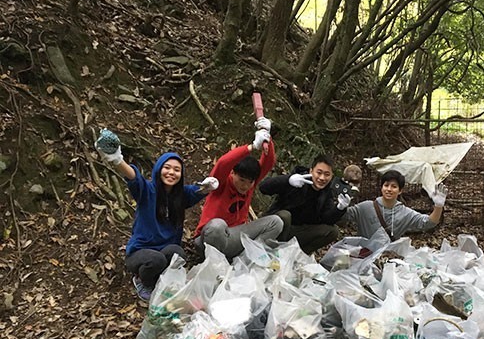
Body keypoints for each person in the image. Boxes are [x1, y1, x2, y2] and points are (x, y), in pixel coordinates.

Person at [95, 132, 219, 301]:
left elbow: (198, 190)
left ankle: (162, 281)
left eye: (176, 170)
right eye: (166, 168)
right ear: (158, 169)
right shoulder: (147, 191)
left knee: (178, 254)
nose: (171, 173)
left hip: (165, 249)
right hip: (140, 252)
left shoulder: (181, 195)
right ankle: (142, 280)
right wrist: (117, 159)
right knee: (156, 260)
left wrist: (209, 186)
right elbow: (133, 177)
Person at [193, 119, 282, 260]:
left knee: (276, 222)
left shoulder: (249, 186)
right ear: (233, 173)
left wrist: (267, 137)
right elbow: (223, 163)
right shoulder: (220, 183)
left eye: (249, 182)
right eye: (241, 180)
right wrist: (251, 147)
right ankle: (215, 264)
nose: (245, 186)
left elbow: (268, 162)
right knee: (217, 226)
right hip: (210, 238)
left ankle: (244, 261)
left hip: (235, 237)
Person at [258, 154, 352, 254]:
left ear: (331, 176)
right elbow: (264, 187)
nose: (322, 178)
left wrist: (340, 208)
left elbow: (326, 219)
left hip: (297, 230)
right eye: (319, 173)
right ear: (311, 171)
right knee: (285, 216)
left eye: (327, 174)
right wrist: (288, 180)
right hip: (276, 226)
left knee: (332, 231)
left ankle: (297, 256)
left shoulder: (327, 191)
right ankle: (273, 252)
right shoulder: (298, 179)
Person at [343, 169, 447, 241]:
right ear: (381, 187)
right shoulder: (365, 207)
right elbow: (342, 217)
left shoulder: (405, 213)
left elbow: (428, 223)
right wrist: (341, 205)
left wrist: (438, 206)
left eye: (394, 186)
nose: (389, 189)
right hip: (363, 255)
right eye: (386, 185)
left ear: (400, 191)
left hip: (387, 257)